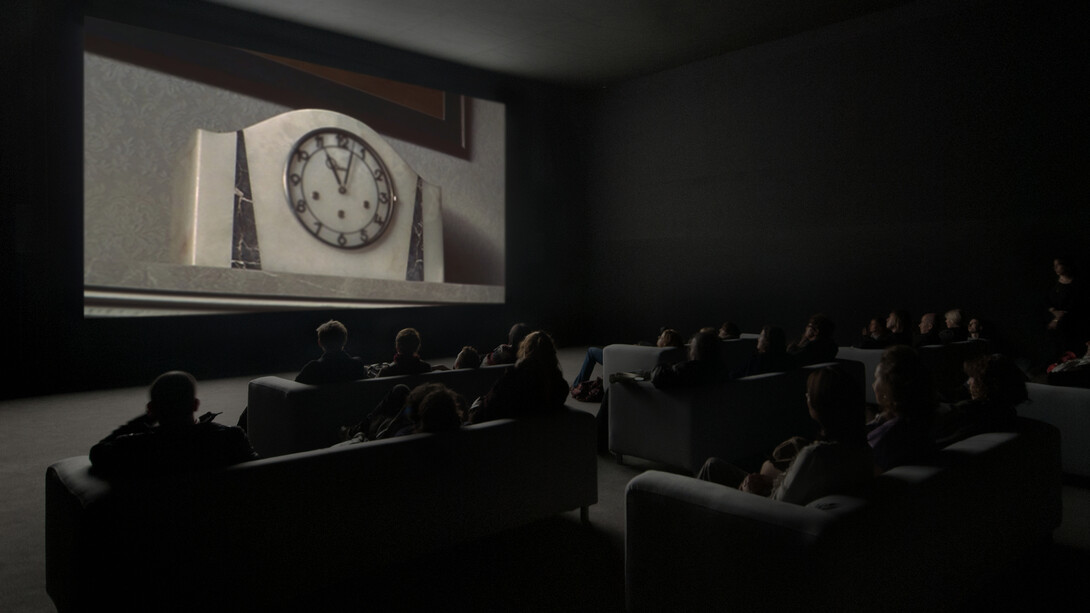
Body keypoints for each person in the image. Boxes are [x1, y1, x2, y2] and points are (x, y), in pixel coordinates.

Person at [697, 366, 874, 505]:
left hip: (760, 512)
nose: (806, 396)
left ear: (822, 406)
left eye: (810, 394)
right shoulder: (862, 448)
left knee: (711, 468)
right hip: (785, 499)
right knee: (714, 466)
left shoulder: (814, 456)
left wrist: (748, 492)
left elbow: (777, 506)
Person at [90, 371, 257, 477]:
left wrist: (147, 418)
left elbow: (97, 451)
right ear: (195, 404)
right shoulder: (230, 437)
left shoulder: (131, 447)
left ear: (151, 409)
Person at [467, 330, 569, 424]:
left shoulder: (512, 380)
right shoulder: (561, 387)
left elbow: (485, 412)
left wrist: (476, 406)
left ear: (526, 352)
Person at [867, 346, 939, 472]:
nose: (873, 384)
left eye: (876, 378)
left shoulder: (890, 437)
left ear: (889, 386)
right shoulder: (922, 420)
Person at [933, 354, 1027, 446]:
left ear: (984, 383)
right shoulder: (1008, 413)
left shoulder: (967, 412)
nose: (969, 382)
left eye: (972, 377)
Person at [296, 320, 369, 384]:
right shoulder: (356, 365)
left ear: (320, 343)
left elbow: (293, 390)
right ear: (344, 341)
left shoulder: (312, 368)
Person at [650, 330, 724, 389]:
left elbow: (658, 377)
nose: (689, 351)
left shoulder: (688, 370)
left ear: (697, 351)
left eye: (691, 348)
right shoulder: (720, 370)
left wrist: (663, 365)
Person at [1047, 257, 1086, 359]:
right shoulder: (1054, 285)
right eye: (1054, 266)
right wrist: (1054, 312)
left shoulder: (1078, 283)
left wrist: (1060, 316)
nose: (1055, 268)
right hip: (1059, 319)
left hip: (1077, 317)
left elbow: (1077, 302)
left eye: (1058, 265)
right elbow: (1047, 301)